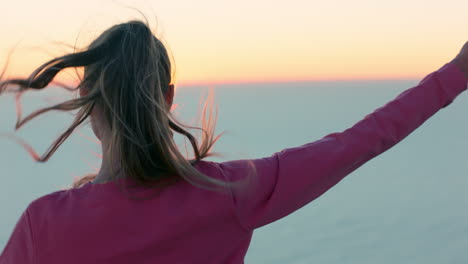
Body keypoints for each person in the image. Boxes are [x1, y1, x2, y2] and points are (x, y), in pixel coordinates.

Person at [0, 19, 467, 264]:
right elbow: (362, 141)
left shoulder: (42, 227)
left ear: (87, 98)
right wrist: (457, 74)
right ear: (167, 99)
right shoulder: (228, 193)